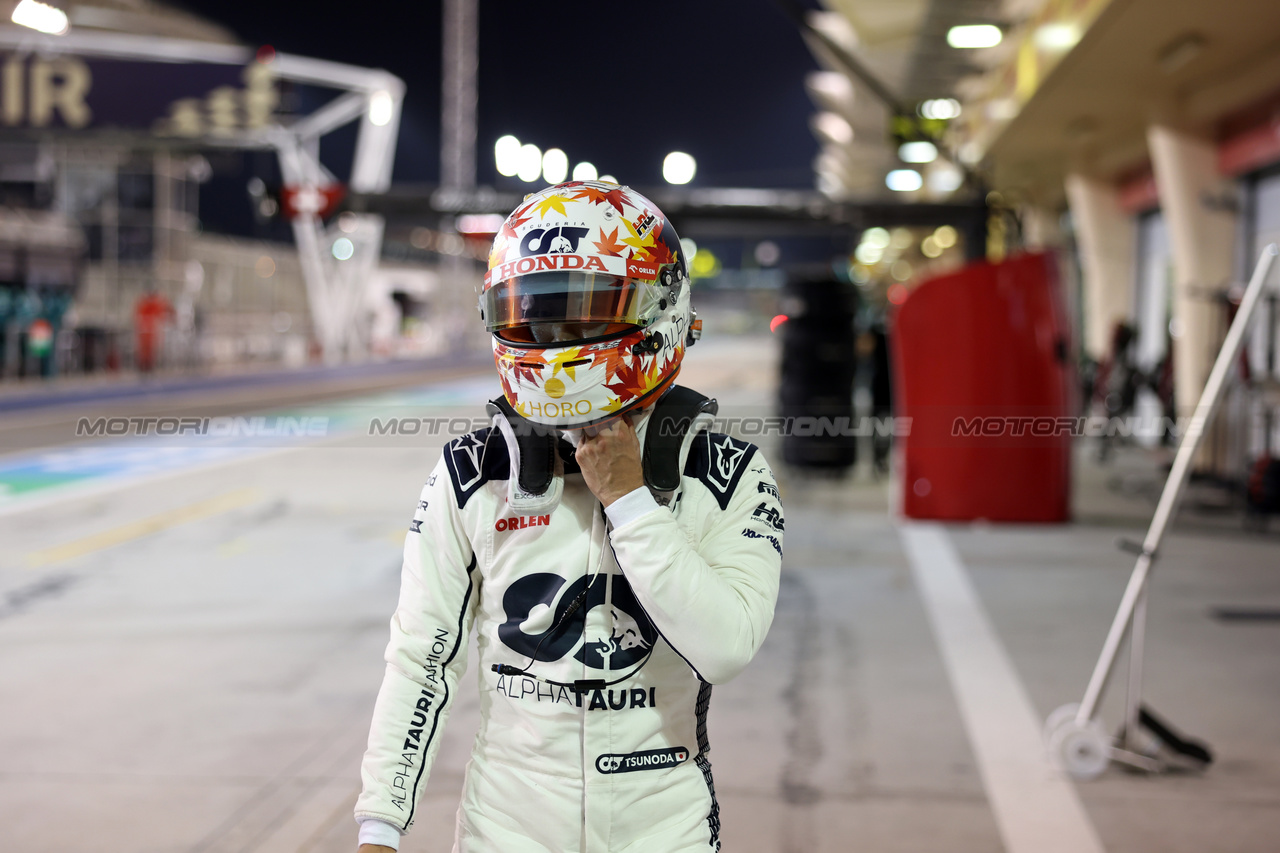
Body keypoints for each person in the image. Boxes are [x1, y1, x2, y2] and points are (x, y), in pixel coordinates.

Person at [354, 182, 784, 852]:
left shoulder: (726, 475)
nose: (554, 344)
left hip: (663, 835)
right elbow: (421, 657)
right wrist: (380, 824)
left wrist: (631, 499)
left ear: (661, 312)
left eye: (584, 316)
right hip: (504, 833)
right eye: (532, 319)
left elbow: (726, 645)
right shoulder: (473, 474)